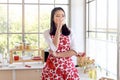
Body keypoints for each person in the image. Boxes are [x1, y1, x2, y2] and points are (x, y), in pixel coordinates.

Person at [42, 7, 83, 80]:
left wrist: (57, 54)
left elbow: (74, 51)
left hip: (67, 68)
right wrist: (58, 29)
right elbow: (54, 47)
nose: (61, 18)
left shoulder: (70, 31)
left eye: (63, 15)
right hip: (52, 68)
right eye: (57, 16)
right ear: (52, 18)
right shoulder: (47, 33)